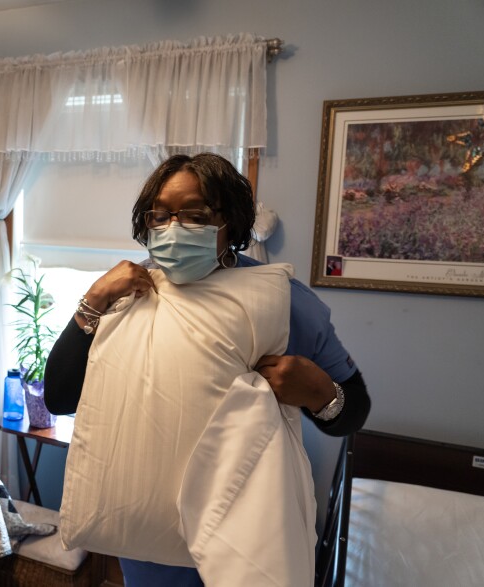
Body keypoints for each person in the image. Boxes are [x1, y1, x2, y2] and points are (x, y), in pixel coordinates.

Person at [44, 153, 370, 586]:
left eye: (195, 215)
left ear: (230, 223)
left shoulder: (278, 302)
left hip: (247, 541)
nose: (173, 229)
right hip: (147, 547)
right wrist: (93, 299)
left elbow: (354, 408)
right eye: (159, 216)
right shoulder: (128, 292)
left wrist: (318, 392)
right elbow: (59, 398)